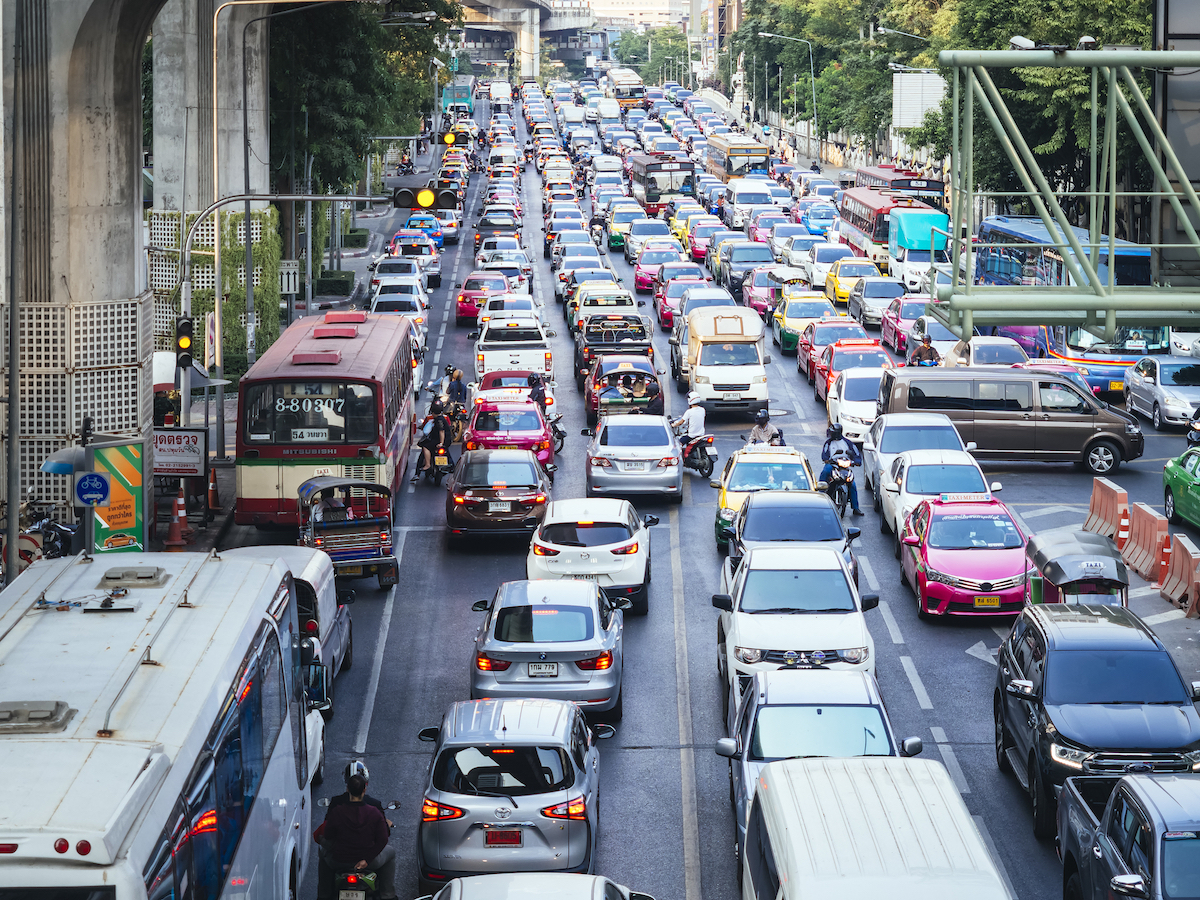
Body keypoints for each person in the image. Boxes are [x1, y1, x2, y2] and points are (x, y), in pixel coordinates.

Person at [318, 774, 396, 900]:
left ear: (347, 789)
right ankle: (388, 895)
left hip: (339, 861)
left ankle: (323, 895)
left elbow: (328, 835)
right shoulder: (374, 812)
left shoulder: (337, 811)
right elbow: (383, 839)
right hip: (369, 862)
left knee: (323, 853)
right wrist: (367, 860)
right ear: (364, 790)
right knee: (391, 852)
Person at [820, 423, 864, 515]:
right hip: (833, 464)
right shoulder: (828, 443)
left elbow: (856, 454)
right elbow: (824, 455)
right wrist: (827, 460)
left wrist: (856, 461)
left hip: (844, 465)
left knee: (852, 484)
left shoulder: (848, 443)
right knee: (825, 471)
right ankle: (820, 494)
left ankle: (855, 508)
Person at [413, 401, 449, 482]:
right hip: (445, 441)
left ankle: (425, 466)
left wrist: (441, 443)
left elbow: (441, 431)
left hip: (439, 441)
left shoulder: (436, 419)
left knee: (425, 447)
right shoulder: (444, 418)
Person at [673, 391, 707, 463]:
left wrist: (673, 425)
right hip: (701, 435)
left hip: (691, 436)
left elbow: (681, 422)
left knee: (678, 443)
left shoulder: (689, 411)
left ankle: (681, 460)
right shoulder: (702, 410)